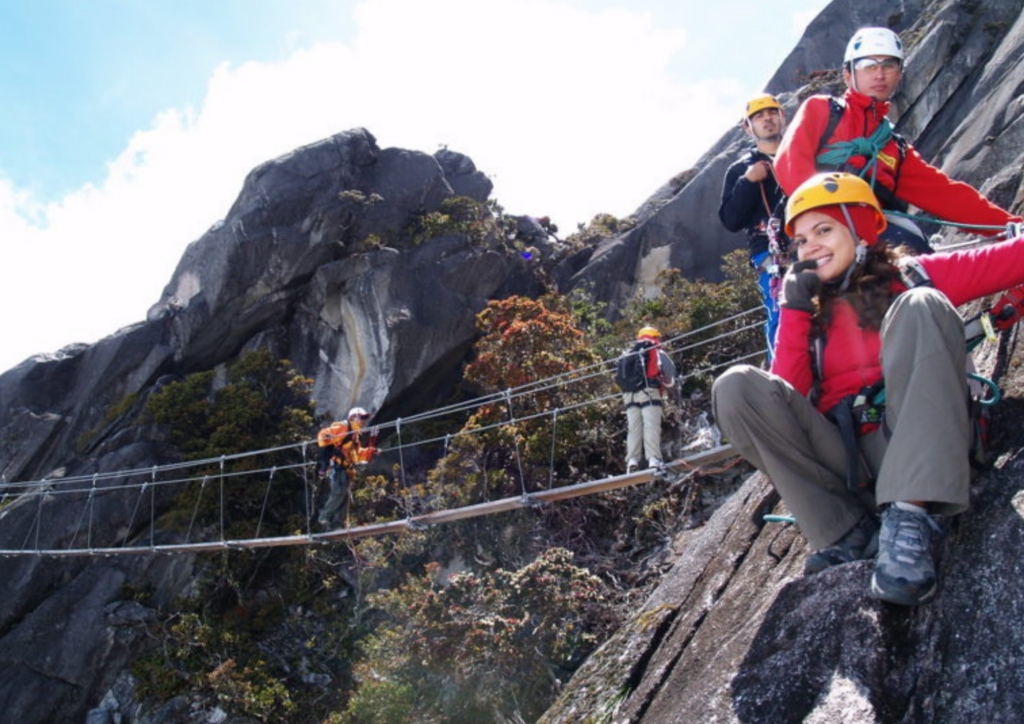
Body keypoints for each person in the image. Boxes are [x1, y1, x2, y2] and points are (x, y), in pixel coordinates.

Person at [712, 171, 1024, 606]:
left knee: (921, 305)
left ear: (859, 231)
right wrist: (795, 310)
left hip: (919, 443)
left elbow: (1015, 258)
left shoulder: (914, 277)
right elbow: (784, 399)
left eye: (823, 230)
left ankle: (912, 514)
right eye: (800, 241)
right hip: (849, 462)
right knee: (736, 386)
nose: (810, 246)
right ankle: (845, 531)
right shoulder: (806, 312)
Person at [775, 26, 1019, 252]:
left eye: (888, 65)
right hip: (822, 233)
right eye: (869, 65)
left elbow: (947, 196)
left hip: (879, 236)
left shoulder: (894, 148)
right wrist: (834, 224)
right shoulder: (822, 110)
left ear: (899, 74)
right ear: (848, 75)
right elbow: (790, 164)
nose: (879, 74)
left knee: (924, 259)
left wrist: (1011, 226)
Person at [718, 93, 789, 357]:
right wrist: (748, 182)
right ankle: (782, 377)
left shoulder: (800, 153)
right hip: (771, 252)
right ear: (748, 127)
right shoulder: (739, 170)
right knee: (781, 312)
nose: (767, 119)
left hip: (813, 239)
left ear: (783, 117)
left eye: (772, 113)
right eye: (758, 116)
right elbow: (730, 219)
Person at [616, 326, 677, 473]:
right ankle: (654, 460)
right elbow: (670, 378)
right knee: (651, 425)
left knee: (634, 428)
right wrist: (672, 389)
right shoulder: (655, 350)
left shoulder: (628, 353)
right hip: (648, 392)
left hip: (629, 395)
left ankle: (632, 460)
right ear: (655, 337)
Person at [315, 407, 379, 529]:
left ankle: (339, 524)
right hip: (338, 467)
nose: (364, 421)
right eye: (362, 417)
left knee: (345, 496)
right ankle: (324, 517)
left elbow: (357, 455)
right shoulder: (344, 427)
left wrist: (371, 452)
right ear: (353, 417)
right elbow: (322, 435)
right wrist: (329, 438)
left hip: (346, 470)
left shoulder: (355, 435)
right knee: (338, 493)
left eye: (365, 418)